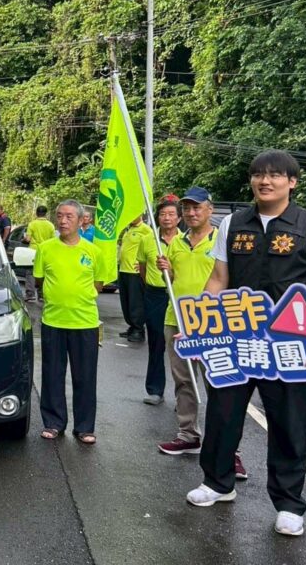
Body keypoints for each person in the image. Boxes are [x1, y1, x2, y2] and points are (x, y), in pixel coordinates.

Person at [186, 151, 306, 538]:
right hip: (238, 340)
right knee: (223, 413)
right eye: (258, 175)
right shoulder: (233, 224)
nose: (265, 181)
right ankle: (218, 483)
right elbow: (219, 279)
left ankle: (289, 504)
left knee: (288, 422)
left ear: (293, 182)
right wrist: (203, 328)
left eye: (275, 175)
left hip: (291, 345)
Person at [154, 186, 219, 458]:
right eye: (187, 208)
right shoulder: (175, 244)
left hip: (213, 324)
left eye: (197, 207)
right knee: (184, 380)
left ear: (209, 210)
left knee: (219, 383)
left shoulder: (221, 242)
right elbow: (169, 283)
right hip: (176, 319)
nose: (191, 213)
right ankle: (188, 435)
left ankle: (226, 448)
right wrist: (164, 270)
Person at [34, 200, 104, 445]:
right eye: (60, 216)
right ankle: (53, 423)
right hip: (53, 320)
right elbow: (40, 281)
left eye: (69, 217)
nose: (63, 221)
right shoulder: (45, 248)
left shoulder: (93, 251)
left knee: (85, 377)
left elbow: (99, 284)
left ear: (82, 220)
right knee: (52, 374)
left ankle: (84, 427)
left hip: (85, 323)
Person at [136, 200, 181, 405]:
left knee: (182, 345)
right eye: (163, 214)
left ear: (179, 218)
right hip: (155, 295)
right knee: (156, 342)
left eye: (171, 214)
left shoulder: (185, 240)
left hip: (180, 296)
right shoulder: (147, 240)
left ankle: (184, 395)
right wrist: (151, 287)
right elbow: (143, 269)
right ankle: (155, 389)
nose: (167, 218)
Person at [117, 215, 149, 342]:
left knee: (136, 303)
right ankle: (131, 326)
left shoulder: (146, 229)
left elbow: (151, 247)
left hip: (134, 272)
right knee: (126, 302)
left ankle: (139, 329)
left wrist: (143, 264)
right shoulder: (128, 229)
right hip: (123, 269)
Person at [23, 205, 55, 302]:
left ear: (36, 213)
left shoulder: (32, 224)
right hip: (46, 251)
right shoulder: (51, 225)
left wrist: (24, 239)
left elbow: (28, 239)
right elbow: (53, 240)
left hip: (33, 251)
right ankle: (42, 295)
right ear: (46, 213)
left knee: (30, 272)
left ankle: (30, 294)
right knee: (43, 273)